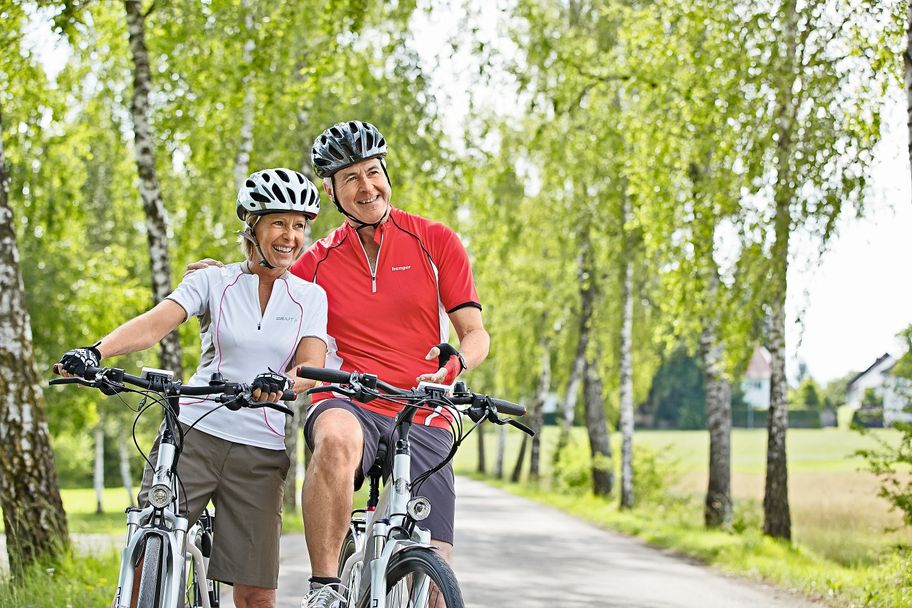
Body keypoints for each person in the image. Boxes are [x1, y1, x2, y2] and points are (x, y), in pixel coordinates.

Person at [55, 168, 329, 608]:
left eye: (299, 225)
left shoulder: (310, 298)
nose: (289, 236)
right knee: (149, 552)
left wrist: (283, 383)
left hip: (259, 449)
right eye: (278, 222)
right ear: (251, 223)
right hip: (193, 434)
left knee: (256, 593)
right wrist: (96, 351)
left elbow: (310, 368)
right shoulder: (213, 281)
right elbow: (154, 324)